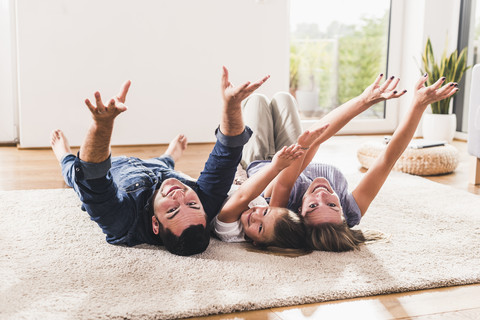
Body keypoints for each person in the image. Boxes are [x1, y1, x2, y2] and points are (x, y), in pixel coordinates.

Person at [50, 67, 269, 256]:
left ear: (155, 224)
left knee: (77, 177)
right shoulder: (202, 208)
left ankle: (62, 154)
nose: (179, 196)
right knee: (164, 168)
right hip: (159, 171)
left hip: (116, 169)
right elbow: (227, 154)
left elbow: (93, 176)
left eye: (172, 210)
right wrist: (231, 105)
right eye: (191, 203)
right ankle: (168, 158)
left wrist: (102, 125)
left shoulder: (122, 223)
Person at [242, 74, 458, 251]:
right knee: (284, 98)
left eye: (314, 205)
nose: (322, 194)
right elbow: (387, 159)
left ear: (299, 210)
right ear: (343, 213)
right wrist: (418, 105)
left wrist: (363, 101)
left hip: (262, 160)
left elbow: (315, 140)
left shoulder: (282, 213)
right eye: (333, 205)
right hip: (298, 147)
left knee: (258, 100)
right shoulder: (352, 210)